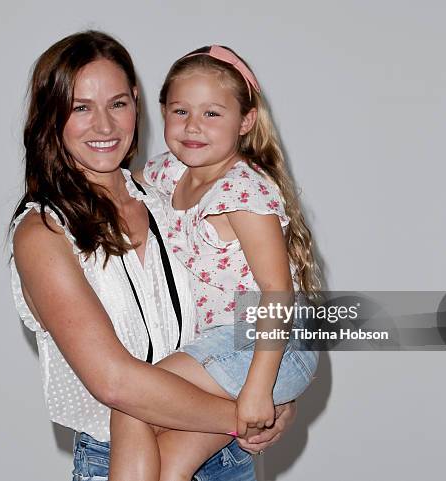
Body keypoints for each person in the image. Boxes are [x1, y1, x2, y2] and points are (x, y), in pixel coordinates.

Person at [9, 31, 297, 481]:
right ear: (51, 116)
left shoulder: (167, 193)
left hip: (225, 456)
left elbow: (254, 305)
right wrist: (249, 414)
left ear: (138, 103)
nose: (104, 126)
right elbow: (115, 382)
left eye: (117, 104)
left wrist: (274, 391)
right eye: (81, 107)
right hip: (124, 454)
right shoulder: (45, 230)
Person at [109, 45, 321, 481]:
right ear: (162, 111)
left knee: (132, 402)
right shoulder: (168, 172)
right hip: (229, 347)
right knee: (169, 467)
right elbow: (112, 187)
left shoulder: (243, 192)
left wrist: (260, 390)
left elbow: (277, 294)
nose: (192, 127)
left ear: (245, 121)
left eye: (212, 114)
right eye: (181, 111)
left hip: (262, 345)